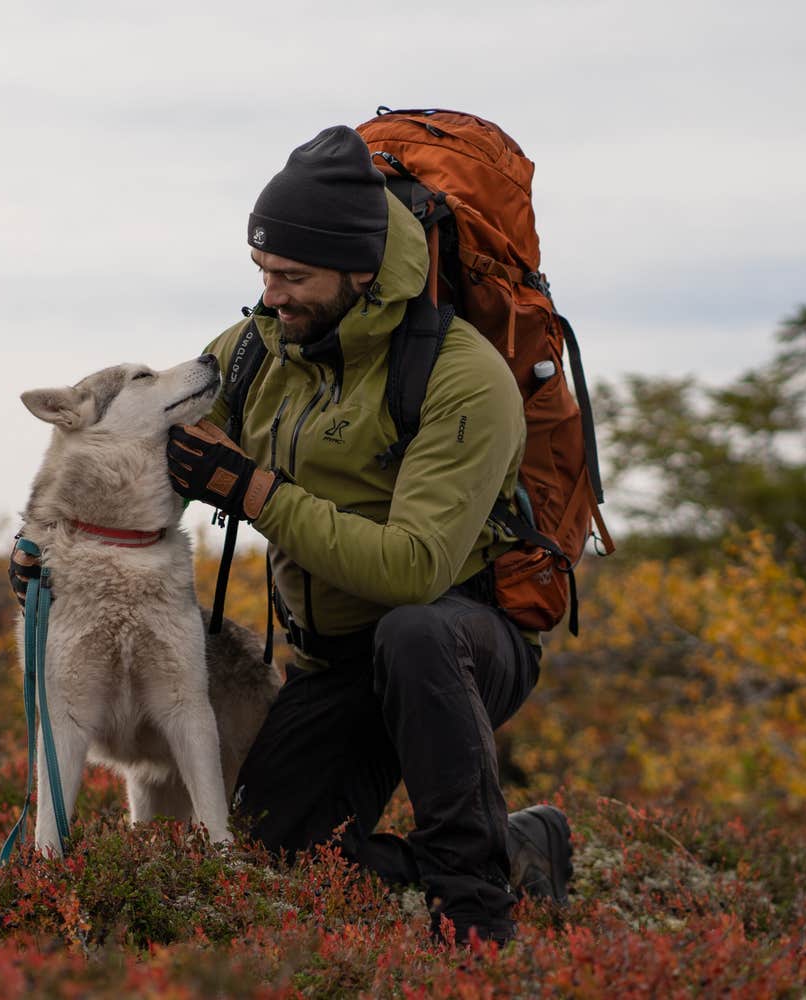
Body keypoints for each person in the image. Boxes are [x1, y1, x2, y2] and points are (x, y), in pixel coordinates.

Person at [163, 125, 572, 945]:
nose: (272, 296)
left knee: (413, 632)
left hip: (463, 637)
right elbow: (155, 442)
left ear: (360, 270)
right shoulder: (253, 352)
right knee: (265, 859)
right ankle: (522, 850)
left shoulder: (461, 375)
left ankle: (475, 921)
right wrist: (57, 543)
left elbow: (415, 570)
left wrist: (252, 489)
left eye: (293, 275)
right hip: (334, 661)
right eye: (263, 272)